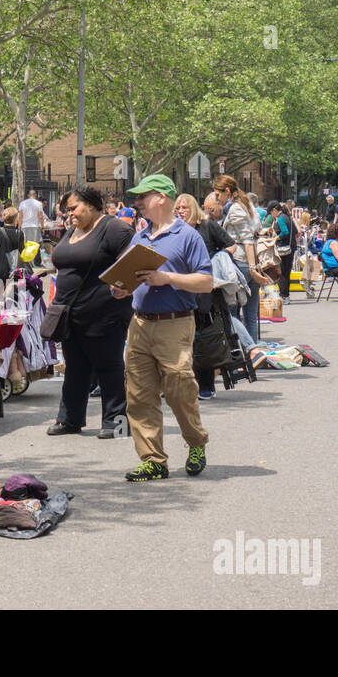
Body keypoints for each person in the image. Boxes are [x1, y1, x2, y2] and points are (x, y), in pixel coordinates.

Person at [109, 174, 213, 482]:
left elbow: (206, 282)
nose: (137, 202)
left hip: (175, 323)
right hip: (139, 323)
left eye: (144, 196)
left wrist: (167, 278)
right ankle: (153, 460)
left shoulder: (188, 236)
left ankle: (196, 443)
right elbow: (127, 277)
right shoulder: (139, 237)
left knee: (180, 389)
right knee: (139, 395)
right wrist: (122, 288)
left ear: (162, 198)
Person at [47, 184, 134, 439]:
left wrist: (125, 287)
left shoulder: (114, 228)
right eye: (67, 210)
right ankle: (69, 420)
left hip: (104, 313)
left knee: (110, 367)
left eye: (73, 208)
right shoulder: (72, 230)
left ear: (92, 204)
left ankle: (117, 424)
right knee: (75, 368)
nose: (69, 214)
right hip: (70, 314)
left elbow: (135, 260)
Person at [179, 193, 236, 400]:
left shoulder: (207, 226)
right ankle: (182, 384)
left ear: (193, 208)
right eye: (178, 208)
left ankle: (206, 385)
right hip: (179, 289)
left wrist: (216, 260)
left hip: (204, 291)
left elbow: (231, 244)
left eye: (184, 207)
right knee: (181, 338)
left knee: (202, 336)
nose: (180, 211)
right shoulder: (174, 230)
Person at [214, 175, 267, 341]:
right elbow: (257, 230)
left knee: (230, 314)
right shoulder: (247, 204)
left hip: (240, 264)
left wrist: (252, 268)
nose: (217, 199)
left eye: (217, 195)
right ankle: (254, 351)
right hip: (250, 264)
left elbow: (247, 239)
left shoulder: (236, 208)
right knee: (250, 315)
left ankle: (247, 351)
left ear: (227, 191)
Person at [0, 206, 25, 284]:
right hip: (14, 272)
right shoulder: (20, 234)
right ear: (15, 220)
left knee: (1, 294)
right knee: (15, 294)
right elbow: (22, 255)